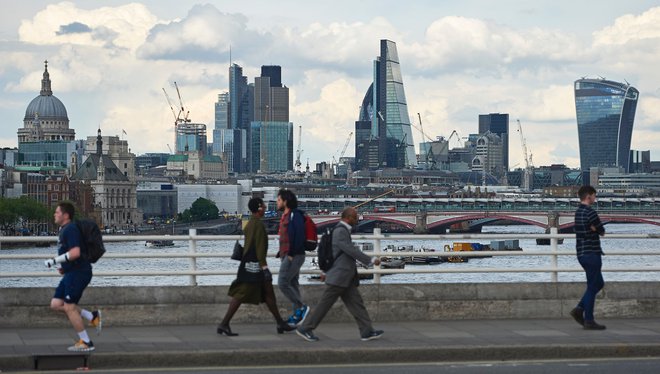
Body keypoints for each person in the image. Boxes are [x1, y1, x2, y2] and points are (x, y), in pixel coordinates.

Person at [296, 207, 384, 342]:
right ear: (348, 218)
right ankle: (305, 328)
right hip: (339, 277)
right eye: (355, 217)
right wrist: (370, 260)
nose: (357, 219)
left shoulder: (341, 230)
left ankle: (366, 331)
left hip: (345, 277)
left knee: (357, 304)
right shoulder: (340, 231)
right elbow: (350, 249)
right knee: (323, 306)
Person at [217, 197, 295, 336]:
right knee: (242, 295)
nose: (265, 209)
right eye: (264, 207)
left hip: (248, 264)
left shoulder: (249, 224)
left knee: (267, 294)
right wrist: (264, 268)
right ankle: (224, 324)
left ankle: (280, 323)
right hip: (254, 266)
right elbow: (259, 249)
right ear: (259, 208)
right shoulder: (258, 225)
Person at [45, 202, 102, 352]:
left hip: (79, 273)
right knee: (56, 304)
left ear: (65, 215)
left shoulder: (70, 229)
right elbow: (73, 254)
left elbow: (75, 252)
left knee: (69, 307)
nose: (54, 214)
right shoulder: (65, 229)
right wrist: (64, 267)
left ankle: (86, 342)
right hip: (72, 272)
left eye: (57, 212)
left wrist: (54, 261)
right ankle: (92, 316)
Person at [570, 185, 607, 330]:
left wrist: (594, 228)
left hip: (581, 253)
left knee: (598, 283)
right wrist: (596, 229)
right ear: (588, 196)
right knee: (593, 286)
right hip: (592, 253)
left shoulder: (578, 212)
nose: (595, 198)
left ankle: (579, 309)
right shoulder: (591, 213)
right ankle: (589, 319)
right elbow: (602, 231)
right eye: (594, 195)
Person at [276, 189, 310, 326]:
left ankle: (301, 307)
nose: (277, 202)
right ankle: (297, 316)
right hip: (286, 255)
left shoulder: (294, 215)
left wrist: (290, 254)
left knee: (283, 282)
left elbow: (299, 235)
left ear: (286, 201)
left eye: (279, 200)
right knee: (293, 284)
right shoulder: (285, 216)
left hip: (294, 255)